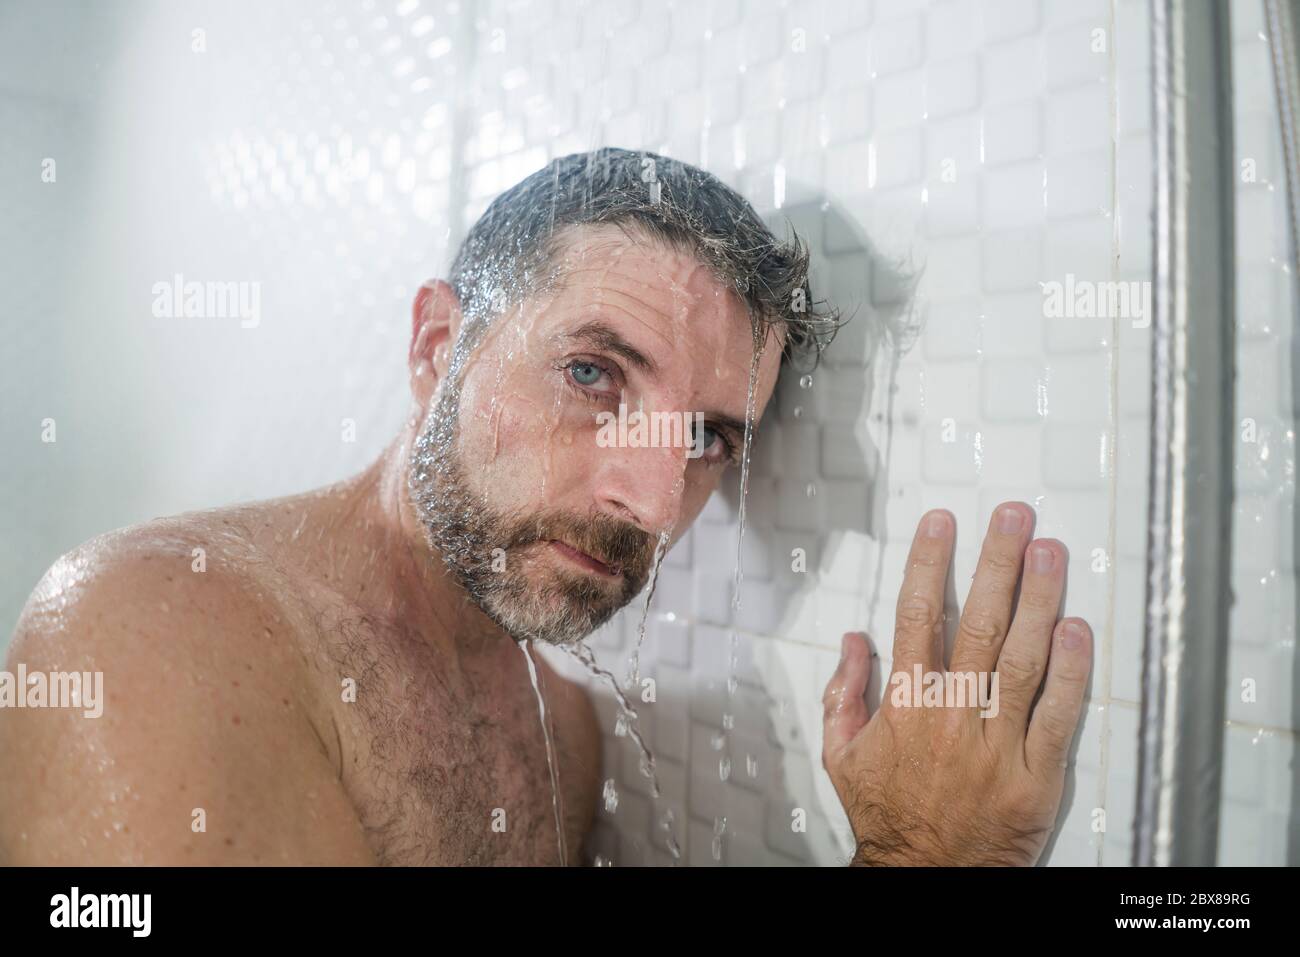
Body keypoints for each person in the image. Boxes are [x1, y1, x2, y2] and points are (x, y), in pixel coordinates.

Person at [0, 147, 1091, 865]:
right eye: (591, 375)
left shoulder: (562, 731)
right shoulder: (150, 635)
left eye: (707, 437)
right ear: (438, 346)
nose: (653, 501)